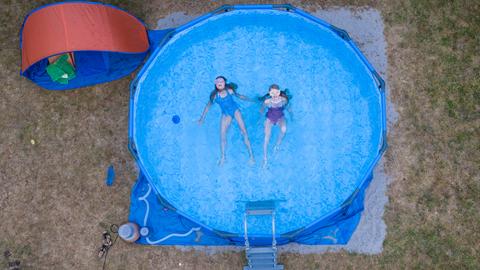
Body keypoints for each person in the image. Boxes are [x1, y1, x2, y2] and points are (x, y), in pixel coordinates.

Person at [198, 76, 255, 165]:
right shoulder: (214, 96)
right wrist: (202, 118)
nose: (219, 83)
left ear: (225, 83)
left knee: (244, 132)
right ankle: (223, 157)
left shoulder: (230, 91)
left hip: (235, 111)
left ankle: (251, 156)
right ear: (215, 84)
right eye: (217, 82)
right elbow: (208, 106)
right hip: (226, 114)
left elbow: (240, 96)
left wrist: (251, 100)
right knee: (222, 136)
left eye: (222, 81)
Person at [259, 84, 291, 167]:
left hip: (280, 117)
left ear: (279, 92)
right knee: (266, 138)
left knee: (284, 130)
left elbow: (288, 108)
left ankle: (277, 145)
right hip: (269, 118)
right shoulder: (267, 102)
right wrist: (261, 120)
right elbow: (262, 111)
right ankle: (265, 158)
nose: (275, 94)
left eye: (277, 92)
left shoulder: (283, 100)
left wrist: (292, 115)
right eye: (272, 93)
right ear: (269, 93)